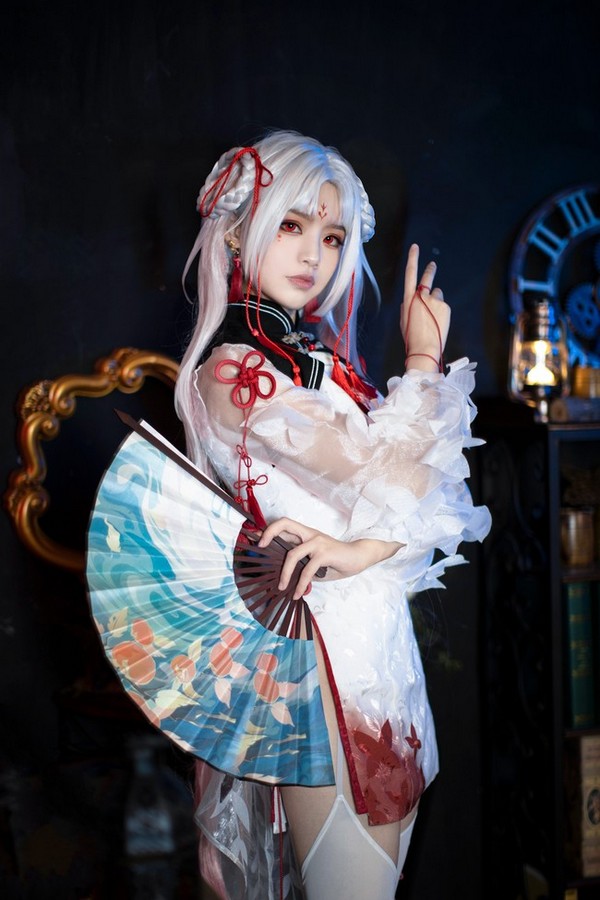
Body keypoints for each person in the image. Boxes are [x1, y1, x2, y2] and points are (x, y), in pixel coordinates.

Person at [174, 129, 491, 900]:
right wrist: (423, 363)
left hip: (377, 650)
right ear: (239, 230)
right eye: (292, 224)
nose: (313, 254)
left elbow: (414, 505)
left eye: (332, 236)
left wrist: (362, 549)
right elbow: (388, 477)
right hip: (314, 661)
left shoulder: (319, 368)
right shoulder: (235, 371)